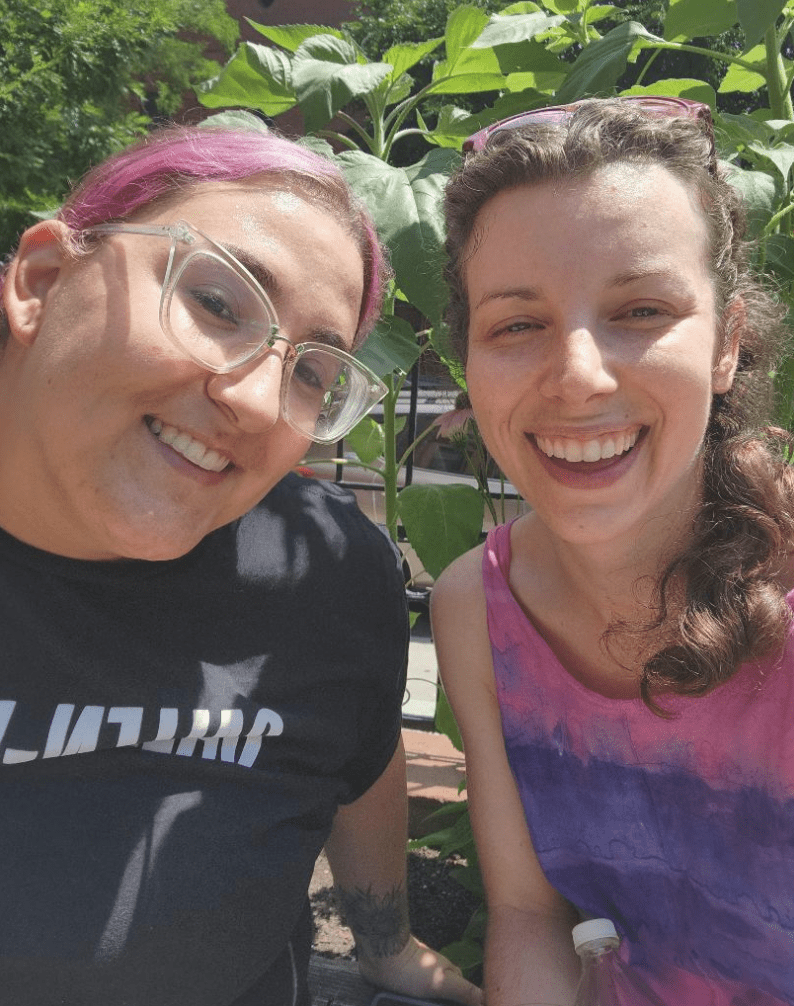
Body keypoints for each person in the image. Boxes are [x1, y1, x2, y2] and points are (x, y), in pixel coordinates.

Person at [0, 123, 481, 1006]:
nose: (260, 402)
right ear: (40, 282)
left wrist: (387, 942)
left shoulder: (328, 570)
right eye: (218, 303)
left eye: (312, 372)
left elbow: (357, 753)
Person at [431, 97, 794, 1005]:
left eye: (640, 309)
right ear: (467, 360)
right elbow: (527, 914)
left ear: (727, 343)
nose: (580, 375)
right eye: (517, 324)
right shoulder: (477, 606)